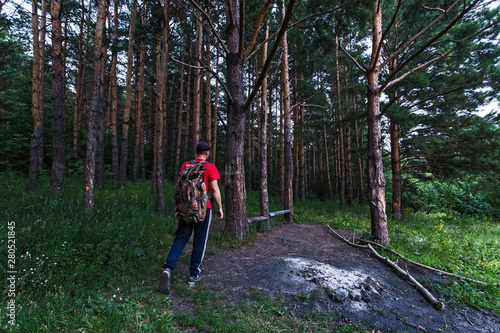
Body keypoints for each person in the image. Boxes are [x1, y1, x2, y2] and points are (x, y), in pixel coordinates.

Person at [159, 142, 224, 294]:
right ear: (207, 153)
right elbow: (214, 188)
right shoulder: (210, 167)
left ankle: (168, 268)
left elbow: (179, 187)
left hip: (185, 209)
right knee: (199, 241)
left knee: (180, 239)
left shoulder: (186, 165)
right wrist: (220, 207)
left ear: (197, 152)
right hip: (203, 210)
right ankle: (193, 275)